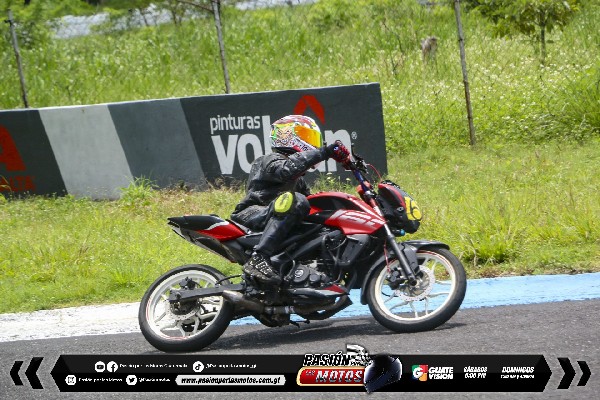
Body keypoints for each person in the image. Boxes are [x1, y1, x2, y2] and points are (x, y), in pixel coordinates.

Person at [230, 115, 350, 285]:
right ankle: (259, 257)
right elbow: (286, 171)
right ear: (286, 136)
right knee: (296, 201)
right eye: (306, 136)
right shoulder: (270, 160)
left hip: (273, 216)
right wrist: (324, 152)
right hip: (252, 213)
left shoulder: (298, 180)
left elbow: (312, 204)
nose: (311, 142)